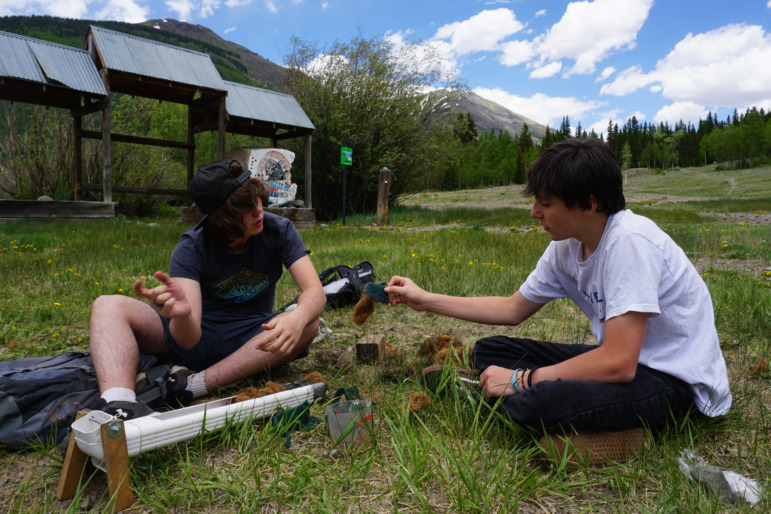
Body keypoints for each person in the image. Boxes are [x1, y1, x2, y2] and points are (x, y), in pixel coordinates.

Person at [386, 138, 731, 438]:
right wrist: (425, 299)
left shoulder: (629, 242)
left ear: (589, 203)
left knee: (541, 402)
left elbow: (620, 364)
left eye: (546, 203)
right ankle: (503, 394)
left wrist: (524, 380)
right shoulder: (567, 245)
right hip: (625, 366)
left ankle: (612, 433)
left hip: (676, 384)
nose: (534, 212)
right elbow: (511, 309)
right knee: (489, 350)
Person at [89, 159, 326, 419]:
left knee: (309, 322)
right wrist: (180, 314)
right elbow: (188, 339)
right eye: (245, 208)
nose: (258, 210)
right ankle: (118, 407)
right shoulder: (192, 247)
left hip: (250, 338)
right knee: (106, 305)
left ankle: (192, 385)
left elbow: (314, 290)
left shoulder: (279, 230)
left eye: (257, 200)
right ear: (220, 219)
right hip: (194, 334)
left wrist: (298, 317)